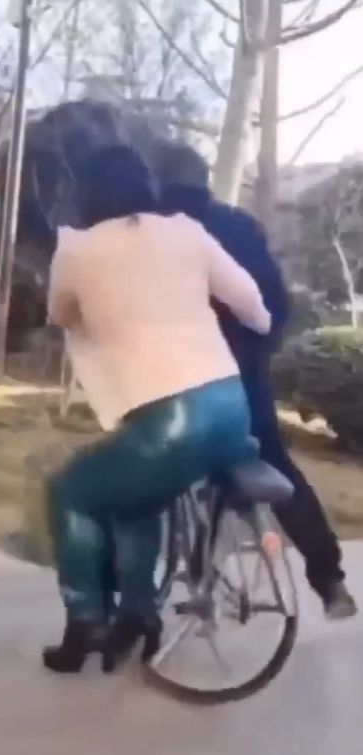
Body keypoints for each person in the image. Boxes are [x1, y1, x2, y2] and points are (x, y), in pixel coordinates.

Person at [44, 144, 275, 674]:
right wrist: (257, 331)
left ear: (85, 193)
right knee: (137, 497)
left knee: (69, 492)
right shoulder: (186, 231)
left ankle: (86, 620)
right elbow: (249, 301)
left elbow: (61, 313)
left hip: (169, 424)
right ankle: (139, 613)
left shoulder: (77, 249)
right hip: (230, 408)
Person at [155, 140, 356, 620]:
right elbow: (275, 305)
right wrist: (255, 352)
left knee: (170, 466)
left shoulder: (154, 233)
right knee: (275, 463)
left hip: (181, 375)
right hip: (242, 376)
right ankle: (329, 579)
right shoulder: (239, 226)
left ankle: (179, 583)